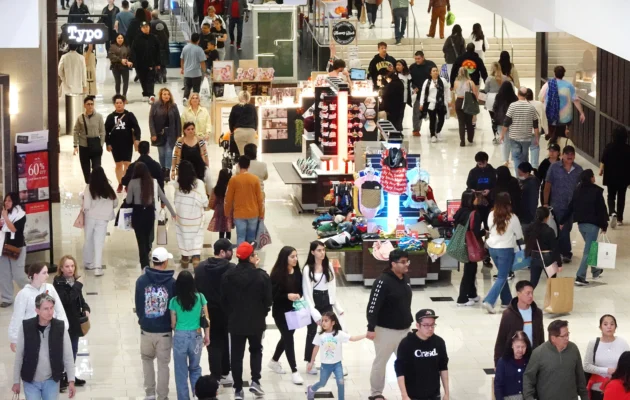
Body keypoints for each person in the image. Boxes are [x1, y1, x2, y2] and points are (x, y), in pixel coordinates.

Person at [221, 242, 272, 400]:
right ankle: (255, 381)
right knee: (256, 350)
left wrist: (231, 314)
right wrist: (262, 313)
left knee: (236, 355)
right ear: (250, 258)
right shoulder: (262, 276)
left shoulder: (228, 276)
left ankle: (238, 389)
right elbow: (268, 300)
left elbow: (224, 301)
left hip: (235, 322)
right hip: (256, 322)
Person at [366, 249, 413, 400]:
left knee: (407, 362)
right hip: (385, 331)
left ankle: (408, 392)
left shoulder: (406, 279)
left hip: (404, 330)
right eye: (403, 262)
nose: (407, 265)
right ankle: (376, 393)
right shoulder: (382, 281)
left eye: (407, 261)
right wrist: (371, 328)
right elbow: (372, 306)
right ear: (393, 264)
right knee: (380, 363)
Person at [11, 293, 76, 399]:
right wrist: (16, 381)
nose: (50, 312)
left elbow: (68, 356)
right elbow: (19, 356)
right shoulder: (26, 327)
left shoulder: (60, 327)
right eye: (46, 309)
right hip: (30, 380)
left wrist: (71, 380)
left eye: (51, 308)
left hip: (51, 379)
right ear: (37, 310)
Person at [135, 247, 176, 400]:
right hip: (165, 331)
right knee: (163, 365)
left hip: (146, 329)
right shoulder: (172, 282)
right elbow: (174, 307)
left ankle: (149, 393)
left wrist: (143, 320)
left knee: (146, 360)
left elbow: (138, 305)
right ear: (165, 262)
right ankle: (163, 396)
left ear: (153, 261)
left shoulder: (141, 280)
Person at [194, 238, 236, 383]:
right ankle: (224, 371)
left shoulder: (200, 268)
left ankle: (216, 374)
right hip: (225, 312)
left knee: (212, 342)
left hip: (206, 312)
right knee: (224, 339)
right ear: (222, 252)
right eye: (230, 250)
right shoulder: (231, 269)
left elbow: (197, 290)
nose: (233, 252)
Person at [560, 169, 608, 285]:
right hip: (593, 225)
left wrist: (562, 221)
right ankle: (580, 276)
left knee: (591, 247)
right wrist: (604, 224)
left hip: (581, 225)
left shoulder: (577, 191)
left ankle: (595, 270)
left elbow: (570, 207)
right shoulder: (596, 191)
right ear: (591, 178)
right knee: (589, 250)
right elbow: (601, 209)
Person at [303, 241, 345, 373]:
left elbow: (333, 287)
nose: (322, 253)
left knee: (332, 333)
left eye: (323, 250)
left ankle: (333, 363)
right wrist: (314, 312)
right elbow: (306, 293)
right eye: (319, 250)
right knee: (311, 333)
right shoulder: (307, 269)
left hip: (326, 300)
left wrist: (337, 306)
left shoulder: (329, 265)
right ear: (312, 252)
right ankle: (310, 363)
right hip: (314, 300)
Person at [126, 162, 176, 269]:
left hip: (137, 213)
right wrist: (173, 213)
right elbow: (163, 198)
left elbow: (129, 200)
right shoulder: (153, 182)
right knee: (148, 236)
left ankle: (144, 265)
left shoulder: (132, 182)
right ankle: (148, 252)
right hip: (149, 213)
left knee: (141, 241)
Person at [169, 270, 210, 400]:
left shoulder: (174, 301)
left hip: (180, 336)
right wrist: (207, 336)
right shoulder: (201, 297)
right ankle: (199, 395)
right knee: (195, 368)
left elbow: (173, 324)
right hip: (196, 336)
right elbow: (207, 320)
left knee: (180, 371)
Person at [9, 263, 69, 352]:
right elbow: (17, 317)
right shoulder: (23, 294)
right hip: (32, 334)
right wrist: (14, 338)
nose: (47, 275)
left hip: (51, 331)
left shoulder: (50, 288)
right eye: (44, 273)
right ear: (35, 275)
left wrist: (64, 327)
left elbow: (59, 309)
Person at [307, 312, 367, 400]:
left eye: (326, 321)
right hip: (325, 365)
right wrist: (311, 362)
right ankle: (311, 389)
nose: (323, 323)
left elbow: (353, 338)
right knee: (322, 383)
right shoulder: (320, 335)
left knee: (341, 382)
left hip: (337, 364)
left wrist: (366, 335)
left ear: (333, 322)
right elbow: (315, 348)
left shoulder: (339, 334)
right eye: (322, 321)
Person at [523, 320, 588, 400]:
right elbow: (528, 378)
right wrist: (529, 398)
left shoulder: (573, 349)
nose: (567, 338)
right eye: (563, 336)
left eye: (568, 334)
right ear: (553, 338)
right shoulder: (538, 353)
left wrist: (585, 397)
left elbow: (580, 376)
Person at [482, 192, 524, 314]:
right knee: (502, 276)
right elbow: (519, 235)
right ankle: (489, 301)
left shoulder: (491, 214)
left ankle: (507, 301)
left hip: (492, 248)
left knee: (502, 274)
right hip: (506, 249)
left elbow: (490, 229)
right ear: (509, 202)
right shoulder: (512, 217)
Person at [395, 309, 449, 400]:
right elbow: (400, 370)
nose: (430, 328)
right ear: (417, 325)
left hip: (434, 394)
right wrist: (404, 395)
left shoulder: (439, 342)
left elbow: (443, 368)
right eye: (426, 325)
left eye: (432, 325)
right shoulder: (407, 343)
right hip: (413, 395)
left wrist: (447, 393)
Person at [268, 246, 304, 385]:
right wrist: (287, 296)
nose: (295, 259)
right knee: (289, 339)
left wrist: (298, 295)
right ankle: (294, 371)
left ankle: (274, 361)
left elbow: (301, 289)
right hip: (280, 312)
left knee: (286, 337)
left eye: (296, 256)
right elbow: (273, 295)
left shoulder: (297, 272)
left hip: (294, 310)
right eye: (292, 256)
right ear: (285, 258)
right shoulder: (277, 274)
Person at [52, 255, 90, 387]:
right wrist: (78, 285)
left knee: (73, 349)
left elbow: (80, 299)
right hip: (63, 324)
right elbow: (66, 301)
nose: (70, 269)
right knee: (63, 351)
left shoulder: (74, 281)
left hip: (74, 323)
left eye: (72, 266)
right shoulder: (58, 283)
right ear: (61, 268)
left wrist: (86, 308)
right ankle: (61, 376)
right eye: (67, 266)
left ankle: (70, 375)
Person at [543, 145, 583, 264]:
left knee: (567, 228)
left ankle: (558, 250)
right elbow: (547, 185)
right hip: (557, 205)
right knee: (563, 228)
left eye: (572, 154)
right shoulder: (554, 167)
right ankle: (566, 252)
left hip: (572, 206)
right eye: (567, 154)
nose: (570, 156)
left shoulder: (578, 169)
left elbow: (581, 187)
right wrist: (545, 203)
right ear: (563, 155)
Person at [493, 280, 544, 366]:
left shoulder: (537, 313)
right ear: (518, 294)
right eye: (527, 293)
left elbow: (541, 337)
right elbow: (501, 339)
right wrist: (497, 362)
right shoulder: (508, 314)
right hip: (513, 358)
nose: (531, 296)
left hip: (533, 357)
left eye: (532, 293)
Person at [81, 167, 118, 276]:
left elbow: (86, 205)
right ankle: (98, 268)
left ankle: (88, 262)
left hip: (90, 217)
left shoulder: (89, 188)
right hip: (103, 219)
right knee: (99, 242)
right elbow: (115, 203)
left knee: (88, 239)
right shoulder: (108, 188)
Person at [583, 315, 630, 400]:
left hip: (617, 388)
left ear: (615, 327)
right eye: (605, 324)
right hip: (597, 388)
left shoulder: (622, 343)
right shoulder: (593, 343)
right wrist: (607, 370)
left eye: (612, 324)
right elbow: (586, 366)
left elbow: (628, 364)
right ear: (600, 327)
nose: (609, 327)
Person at [173, 160, 209, 268]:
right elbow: (204, 201)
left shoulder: (177, 184)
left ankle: (184, 258)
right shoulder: (199, 184)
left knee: (183, 236)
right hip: (195, 217)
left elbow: (175, 200)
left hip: (182, 218)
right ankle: (196, 258)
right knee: (196, 237)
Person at [539, 66, 586, 142]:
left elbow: (541, 98)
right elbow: (576, 100)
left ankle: (552, 148)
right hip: (565, 118)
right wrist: (581, 113)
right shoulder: (569, 86)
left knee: (552, 137)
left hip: (550, 116)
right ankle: (560, 150)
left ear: (554, 73)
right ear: (564, 74)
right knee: (562, 137)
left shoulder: (548, 84)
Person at [105, 94, 142, 192]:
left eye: (120, 103)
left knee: (127, 164)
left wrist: (137, 139)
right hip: (115, 144)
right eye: (117, 103)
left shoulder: (129, 115)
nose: (119, 105)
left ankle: (127, 183)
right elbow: (105, 131)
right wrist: (107, 143)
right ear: (114, 104)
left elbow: (137, 128)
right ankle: (120, 183)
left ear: (124, 103)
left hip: (127, 143)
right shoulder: (110, 117)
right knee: (118, 164)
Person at [224, 156, 264, 244]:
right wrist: (261, 214)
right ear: (249, 166)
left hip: (239, 214)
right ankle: (250, 256)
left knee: (240, 237)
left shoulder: (233, 180)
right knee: (251, 238)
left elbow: (228, 199)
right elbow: (260, 199)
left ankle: (241, 257)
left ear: (238, 165)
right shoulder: (255, 179)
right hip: (253, 213)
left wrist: (227, 213)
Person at [501, 87, 540, 175]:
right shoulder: (531, 107)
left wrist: (502, 134)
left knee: (516, 157)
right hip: (526, 137)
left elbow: (506, 122)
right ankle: (525, 176)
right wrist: (537, 138)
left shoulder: (512, 105)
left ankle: (518, 177)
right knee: (524, 158)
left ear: (518, 94)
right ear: (526, 95)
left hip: (514, 137)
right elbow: (535, 125)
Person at [453, 190, 483, 306]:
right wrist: (483, 233)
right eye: (475, 197)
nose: (477, 199)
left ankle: (472, 294)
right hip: (471, 245)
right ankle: (462, 298)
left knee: (471, 268)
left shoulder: (460, 212)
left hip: (463, 243)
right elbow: (475, 232)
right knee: (469, 271)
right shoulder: (474, 213)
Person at [0, 193, 29, 308]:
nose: (6, 203)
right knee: (4, 274)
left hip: (16, 247)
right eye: (5, 200)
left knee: (18, 275)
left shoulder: (20, 215)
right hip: (3, 246)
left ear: (15, 202)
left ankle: (34, 292)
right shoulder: (3, 212)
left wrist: (5, 217)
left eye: (9, 201)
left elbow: (13, 229)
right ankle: (7, 298)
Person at [600, 126, 630, 228]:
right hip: (624, 177)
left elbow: (603, 160)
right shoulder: (628, 148)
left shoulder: (609, 147)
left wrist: (601, 170)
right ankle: (620, 219)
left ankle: (612, 212)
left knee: (611, 196)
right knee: (621, 197)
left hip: (610, 175)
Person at [524, 207, 562, 288]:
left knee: (533, 282)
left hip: (534, 255)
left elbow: (526, 242)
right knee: (552, 282)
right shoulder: (549, 230)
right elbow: (555, 248)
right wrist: (559, 263)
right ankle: (552, 299)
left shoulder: (529, 229)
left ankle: (524, 298)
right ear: (547, 217)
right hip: (548, 258)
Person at [149, 88, 182, 180]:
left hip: (171, 133)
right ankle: (163, 168)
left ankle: (167, 170)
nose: (166, 96)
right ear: (161, 95)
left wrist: (179, 134)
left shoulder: (173, 106)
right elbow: (151, 120)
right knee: (162, 153)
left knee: (168, 151)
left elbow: (178, 121)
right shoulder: (155, 105)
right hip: (159, 133)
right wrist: (153, 134)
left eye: (168, 94)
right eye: (164, 94)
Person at [73, 95, 105, 184]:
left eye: (92, 104)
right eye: (88, 104)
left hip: (95, 145)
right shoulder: (80, 118)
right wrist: (75, 145)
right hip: (84, 146)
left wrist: (101, 144)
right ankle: (89, 186)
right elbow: (76, 131)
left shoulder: (99, 117)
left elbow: (102, 131)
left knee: (97, 168)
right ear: (84, 105)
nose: (90, 106)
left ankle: (96, 186)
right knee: (85, 169)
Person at [130, 21, 162, 103]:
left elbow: (158, 51)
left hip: (151, 63)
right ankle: (145, 93)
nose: (146, 28)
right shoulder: (137, 39)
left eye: (147, 27)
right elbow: (133, 51)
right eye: (144, 27)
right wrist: (133, 62)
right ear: (141, 29)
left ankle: (151, 94)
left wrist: (158, 63)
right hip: (140, 64)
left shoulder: (154, 38)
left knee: (150, 79)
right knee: (143, 79)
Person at [495, 331, 531, 400]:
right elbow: (498, 386)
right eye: (518, 347)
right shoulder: (503, 362)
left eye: (523, 347)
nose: (520, 350)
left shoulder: (530, 361)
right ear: (512, 345)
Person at [419, 65, 450, 142]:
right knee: (432, 120)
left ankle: (438, 131)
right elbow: (423, 92)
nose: (435, 72)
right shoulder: (427, 82)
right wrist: (421, 103)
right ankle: (432, 134)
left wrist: (448, 100)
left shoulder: (443, 80)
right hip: (431, 103)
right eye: (434, 71)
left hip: (441, 103)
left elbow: (447, 91)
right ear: (430, 73)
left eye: (436, 71)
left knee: (441, 119)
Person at [409, 51, 437, 137]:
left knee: (432, 112)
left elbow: (436, 75)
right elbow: (410, 80)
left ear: (423, 57)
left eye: (419, 59)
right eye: (416, 59)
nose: (417, 60)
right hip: (419, 93)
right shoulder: (412, 67)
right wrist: (414, 87)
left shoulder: (430, 64)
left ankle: (434, 131)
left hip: (430, 92)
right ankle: (416, 130)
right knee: (417, 112)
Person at [466, 151, 497, 228]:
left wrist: (490, 191)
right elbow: (469, 185)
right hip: (477, 203)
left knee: (489, 224)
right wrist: (472, 190)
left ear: (487, 161)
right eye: (479, 164)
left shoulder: (493, 171)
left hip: (490, 202)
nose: (482, 166)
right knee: (476, 225)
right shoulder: (473, 172)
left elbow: (497, 185)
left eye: (483, 163)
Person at [453, 67, 478, 146]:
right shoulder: (471, 82)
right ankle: (470, 138)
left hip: (459, 102)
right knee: (469, 122)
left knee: (461, 123)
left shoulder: (456, 82)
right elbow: (475, 94)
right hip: (468, 102)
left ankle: (462, 141)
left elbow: (455, 92)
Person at [494, 81, 519, 159]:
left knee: (504, 141)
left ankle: (505, 160)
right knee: (513, 141)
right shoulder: (514, 97)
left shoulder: (498, 97)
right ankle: (514, 158)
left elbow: (495, 108)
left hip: (501, 122)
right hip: (512, 122)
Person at [229, 90, 258, 155]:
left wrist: (232, 131)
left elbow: (231, 121)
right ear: (248, 98)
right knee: (251, 153)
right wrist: (255, 129)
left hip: (239, 132)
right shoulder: (252, 107)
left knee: (242, 154)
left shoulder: (235, 107)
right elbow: (256, 119)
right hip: (251, 131)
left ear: (239, 98)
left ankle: (243, 164)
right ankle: (251, 164)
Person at [484, 62, 507, 141]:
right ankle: (502, 134)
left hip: (491, 99)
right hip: (502, 98)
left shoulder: (489, 78)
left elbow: (486, 90)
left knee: (493, 118)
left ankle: (495, 135)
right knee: (501, 116)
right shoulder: (504, 78)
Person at [181, 33, 208, 102]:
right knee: (196, 89)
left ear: (191, 39)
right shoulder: (199, 49)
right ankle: (195, 100)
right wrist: (205, 71)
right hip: (196, 73)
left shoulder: (185, 48)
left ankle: (185, 98)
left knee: (187, 87)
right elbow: (202, 62)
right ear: (198, 40)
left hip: (187, 72)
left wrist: (182, 68)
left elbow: (182, 59)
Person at [208, 169, 233, 239]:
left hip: (219, 210)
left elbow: (212, 202)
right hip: (229, 210)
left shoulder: (216, 189)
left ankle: (221, 246)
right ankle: (228, 246)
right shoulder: (231, 188)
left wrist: (215, 207)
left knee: (221, 231)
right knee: (228, 230)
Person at [525, 88, 547, 167]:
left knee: (524, 151)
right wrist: (547, 131)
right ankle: (534, 168)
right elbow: (543, 118)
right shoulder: (539, 104)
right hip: (536, 131)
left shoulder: (520, 104)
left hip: (524, 132)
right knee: (535, 148)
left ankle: (525, 167)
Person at [150, 10, 170, 84]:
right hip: (164, 45)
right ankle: (164, 74)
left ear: (152, 16)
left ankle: (158, 77)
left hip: (155, 46)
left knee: (156, 62)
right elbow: (167, 34)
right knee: (163, 62)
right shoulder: (163, 23)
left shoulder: (151, 23)